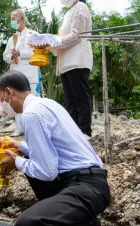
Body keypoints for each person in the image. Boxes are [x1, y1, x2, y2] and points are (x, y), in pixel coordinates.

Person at [0, 70, 110, 226]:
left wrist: (16, 162)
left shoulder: (30, 115)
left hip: (88, 187)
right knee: (29, 160)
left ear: (9, 92)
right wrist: (19, 146)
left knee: (27, 225)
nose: (3, 104)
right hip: (88, 182)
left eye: (1, 97)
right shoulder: (47, 104)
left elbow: (47, 172)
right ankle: (77, 221)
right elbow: (50, 152)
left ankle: (86, 225)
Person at [50, 0, 93, 138]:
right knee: (70, 99)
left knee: (80, 96)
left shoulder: (80, 8)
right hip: (66, 61)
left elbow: (76, 35)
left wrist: (55, 42)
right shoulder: (69, 11)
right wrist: (51, 43)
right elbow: (64, 36)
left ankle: (85, 131)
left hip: (77, 60)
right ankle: (74, 131)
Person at [3, 9, 39, 137]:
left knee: (31, 101)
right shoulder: (11, 38)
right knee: (16, 99)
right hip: (15, 72)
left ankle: (33, 128)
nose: (13, 21)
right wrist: (12, 56)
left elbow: (37, 53)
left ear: (22, 19)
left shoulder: (33, 35)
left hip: (29, 73)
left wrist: (21, 54)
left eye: (15, 18)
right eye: (11, 19)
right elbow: (5, 56)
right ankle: (19, 128)